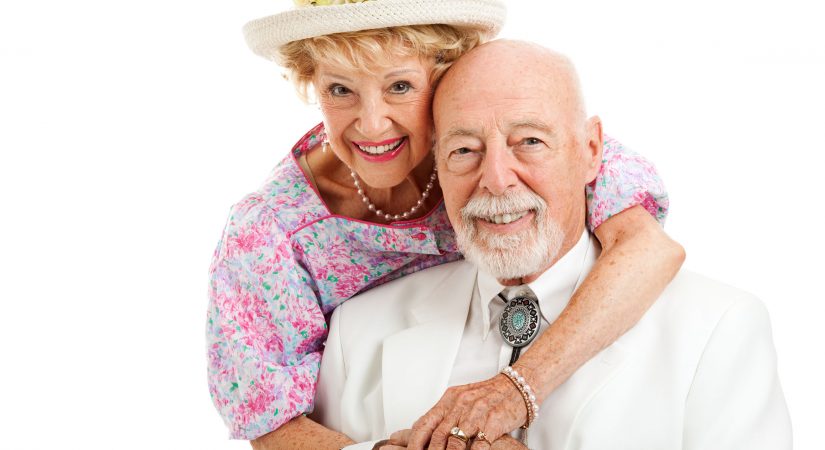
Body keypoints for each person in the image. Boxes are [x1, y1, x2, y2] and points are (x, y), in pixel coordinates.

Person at [207, 1, 684, 447]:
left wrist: (515, 391)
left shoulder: (516, 148)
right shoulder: (269, 232)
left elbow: (648, 247)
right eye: (340, 90)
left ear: (445, 76)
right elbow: (273, 427)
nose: (372, 124)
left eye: (400, 86)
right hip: (379, 409)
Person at [313, 39, 792, 450]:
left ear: (591, 151)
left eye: (529, 142)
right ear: (437, 164)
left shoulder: (718, 327)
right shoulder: (357, 333)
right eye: (464, 150)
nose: (496, 181)